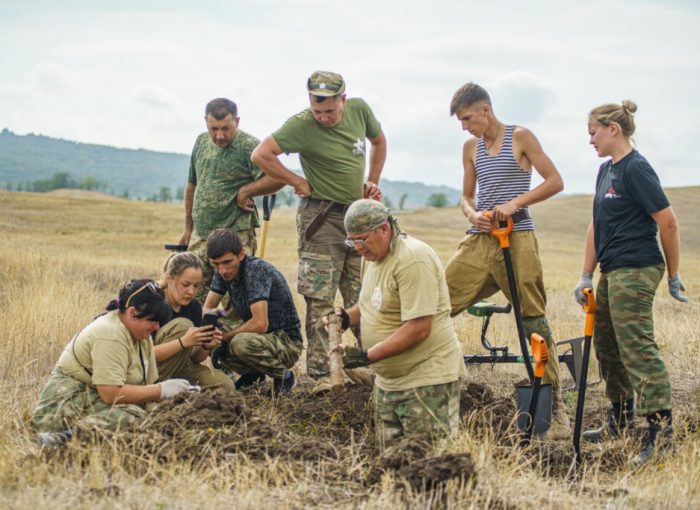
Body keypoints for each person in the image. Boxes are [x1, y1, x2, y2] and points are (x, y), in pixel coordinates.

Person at [442, 82, 570, 439]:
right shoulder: (470, 148)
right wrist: (472, 215)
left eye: (467, 119)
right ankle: (426, 381)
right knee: (436, 301)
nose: (465, 127)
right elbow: (466, 197)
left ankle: (556, 411)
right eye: (461, 122)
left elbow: (555, 181)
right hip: (480, 241)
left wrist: (516, 203)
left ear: (485, 110)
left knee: (533, 320)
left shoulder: (521, 137)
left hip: (519, 239)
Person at [251, 70, 387, 391]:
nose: (324, 118)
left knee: (361, 295)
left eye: (330, 111)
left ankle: (369, 364)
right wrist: (295, 181)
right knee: (321, 297)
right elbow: (261, 154)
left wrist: (373, 180)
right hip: (321, 218)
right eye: (317, 111)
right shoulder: (300, 125)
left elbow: (379, 141)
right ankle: (324, 373)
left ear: (344, 99)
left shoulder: (360, 110)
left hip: (357, 217)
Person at [574, 100, 688, 466]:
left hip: (637, 267)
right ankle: (620, 418)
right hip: (612, 269)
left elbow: (667, 222)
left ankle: (660, 430)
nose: (589, 139)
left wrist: (672, 274)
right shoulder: (605, 171)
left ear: (613, 129)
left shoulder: (637, 169)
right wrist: (586, 274)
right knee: (606, 345)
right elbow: (596, 224)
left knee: (636, 345)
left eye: (593, 132)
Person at [326, 199, 465, 451]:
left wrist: (367, 356)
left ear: (384, 229)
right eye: (352, 241)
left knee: (431, 464)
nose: (358, 248)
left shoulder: (412, 260)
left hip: (425, 383)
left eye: (362, 239)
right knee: (392, 465)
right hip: (388, 384)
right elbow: (370, 305)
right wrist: (345, 318)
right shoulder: (372, 257)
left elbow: (419, 327)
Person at [31, 279, 193, 447]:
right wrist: (162, 390)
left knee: (152, 416)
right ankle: (63, 438)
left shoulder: (140, 336)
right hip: (64, 404)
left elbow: (146, 386)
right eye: (153, 320)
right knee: (133, 418)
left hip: (94, 396)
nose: (157, 327)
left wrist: (182, 395)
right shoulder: (110, 334)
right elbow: (110, 394)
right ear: (132, 313)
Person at [178, 97, 283, 301]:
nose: (219, 135)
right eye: (213, 128)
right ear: (205, 122)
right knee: (189, 296)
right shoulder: (200, 142)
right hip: (201, 236)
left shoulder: (250, 146)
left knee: (233, 303)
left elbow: (278, 177)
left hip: (235, 235)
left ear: (237, 121)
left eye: (225, 128)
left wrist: (245, 191)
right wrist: (188, 229)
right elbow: (192, 184)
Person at [203, 228, 303, 395]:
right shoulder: (221, 272)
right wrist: (205, 336)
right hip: (262, 340)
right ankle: (253, 375)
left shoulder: (256, 271)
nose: (222, 270)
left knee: (238, 342)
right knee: (208, 331)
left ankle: (284, 376)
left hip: (286, 343)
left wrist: (223, 339)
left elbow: (260, 324)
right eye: (216, 264)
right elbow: (207, 311)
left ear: (241, 254)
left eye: (227, 262)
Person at [152, 252, 234, 391]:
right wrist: (182, 342)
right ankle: (153, 392)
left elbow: (195, 359)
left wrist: (205, 345)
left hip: (179, 368)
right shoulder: (152, 301)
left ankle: (178, 391)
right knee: (183, 325)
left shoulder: (194, 306)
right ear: (169, 278)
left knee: (225, 386)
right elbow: (143, 356)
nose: (191, 291)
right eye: (186, 284)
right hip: (148, 371)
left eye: (196, 286)